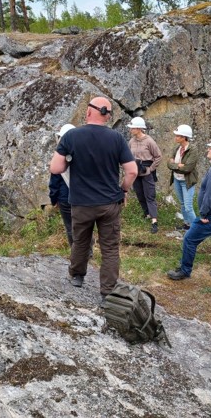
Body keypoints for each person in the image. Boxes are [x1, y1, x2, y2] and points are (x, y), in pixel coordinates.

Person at [49, 97, 137, 302]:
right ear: (107, 115)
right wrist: (123, 189)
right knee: (110, 248)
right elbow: (132, 171)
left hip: (81, 203)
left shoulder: (71, 136)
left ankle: (77, 275)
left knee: (80, 241)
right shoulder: (116, 138)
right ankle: (107, 291)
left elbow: (55, 168)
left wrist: (70, 161)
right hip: (109, 203)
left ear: (89, 112)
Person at [167, 135, 211, 284]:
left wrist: (203, 214)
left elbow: (210, 195)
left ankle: (185, 270)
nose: (208, 150)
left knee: (189, 239)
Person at [127, 117, 162, 234]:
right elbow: (128, 155)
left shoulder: (149, 141)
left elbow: (158, 156)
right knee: (139, 194)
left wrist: (150, 169)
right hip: (136, 171)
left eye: (132, 128)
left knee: (149, 195)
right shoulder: (131, 141)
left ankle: (154, 221)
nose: (130, 129)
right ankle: (147, 213)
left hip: (146, 171)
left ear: (139, 128)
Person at [166, 124, 199, 231]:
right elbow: (168, 163)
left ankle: (196, 229)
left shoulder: (193, 149)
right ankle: (187, 224)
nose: (175, 137)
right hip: (177, 179)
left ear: (184, 137)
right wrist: (178, 166)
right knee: (182, 204)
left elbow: (188, 168)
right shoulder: (177, 148)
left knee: (188, 207)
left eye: (178, 136)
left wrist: (174, 165)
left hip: (187, 181)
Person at [49, 124, 76, 246]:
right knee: (85, 226)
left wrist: (53, 199)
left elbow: (54, 180)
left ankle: (75, 252)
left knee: (70, 227)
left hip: (65, 197)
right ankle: (88, 252)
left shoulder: (59, 156)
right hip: (84, 196)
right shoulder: (84, 152)